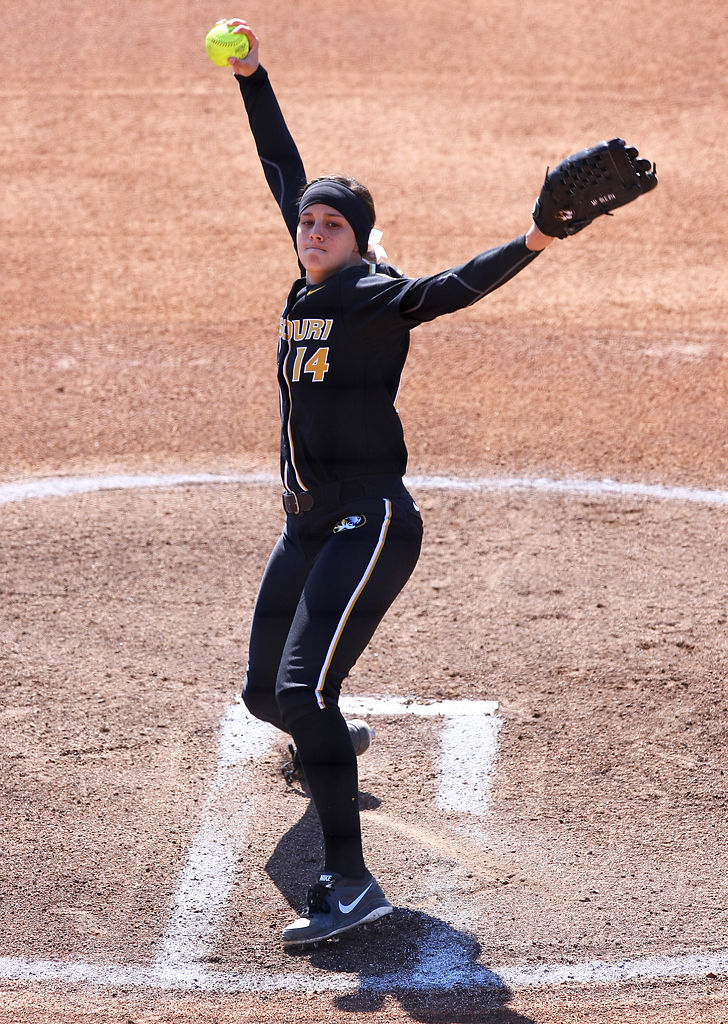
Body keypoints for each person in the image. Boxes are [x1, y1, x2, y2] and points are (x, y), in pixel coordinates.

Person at [224, 18, 555, 947]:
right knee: (265, 696)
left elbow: (448, 288)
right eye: (309, 223)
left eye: (331, 225)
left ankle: (355, 881)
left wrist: (533, 238)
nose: (312, 230)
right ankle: (327, 739)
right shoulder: (308, 276)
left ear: (359, 242)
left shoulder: (371, 294)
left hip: (366, 522)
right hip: (306, 522)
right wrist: (253, 76)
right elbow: (283, 167)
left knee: (302, 699)